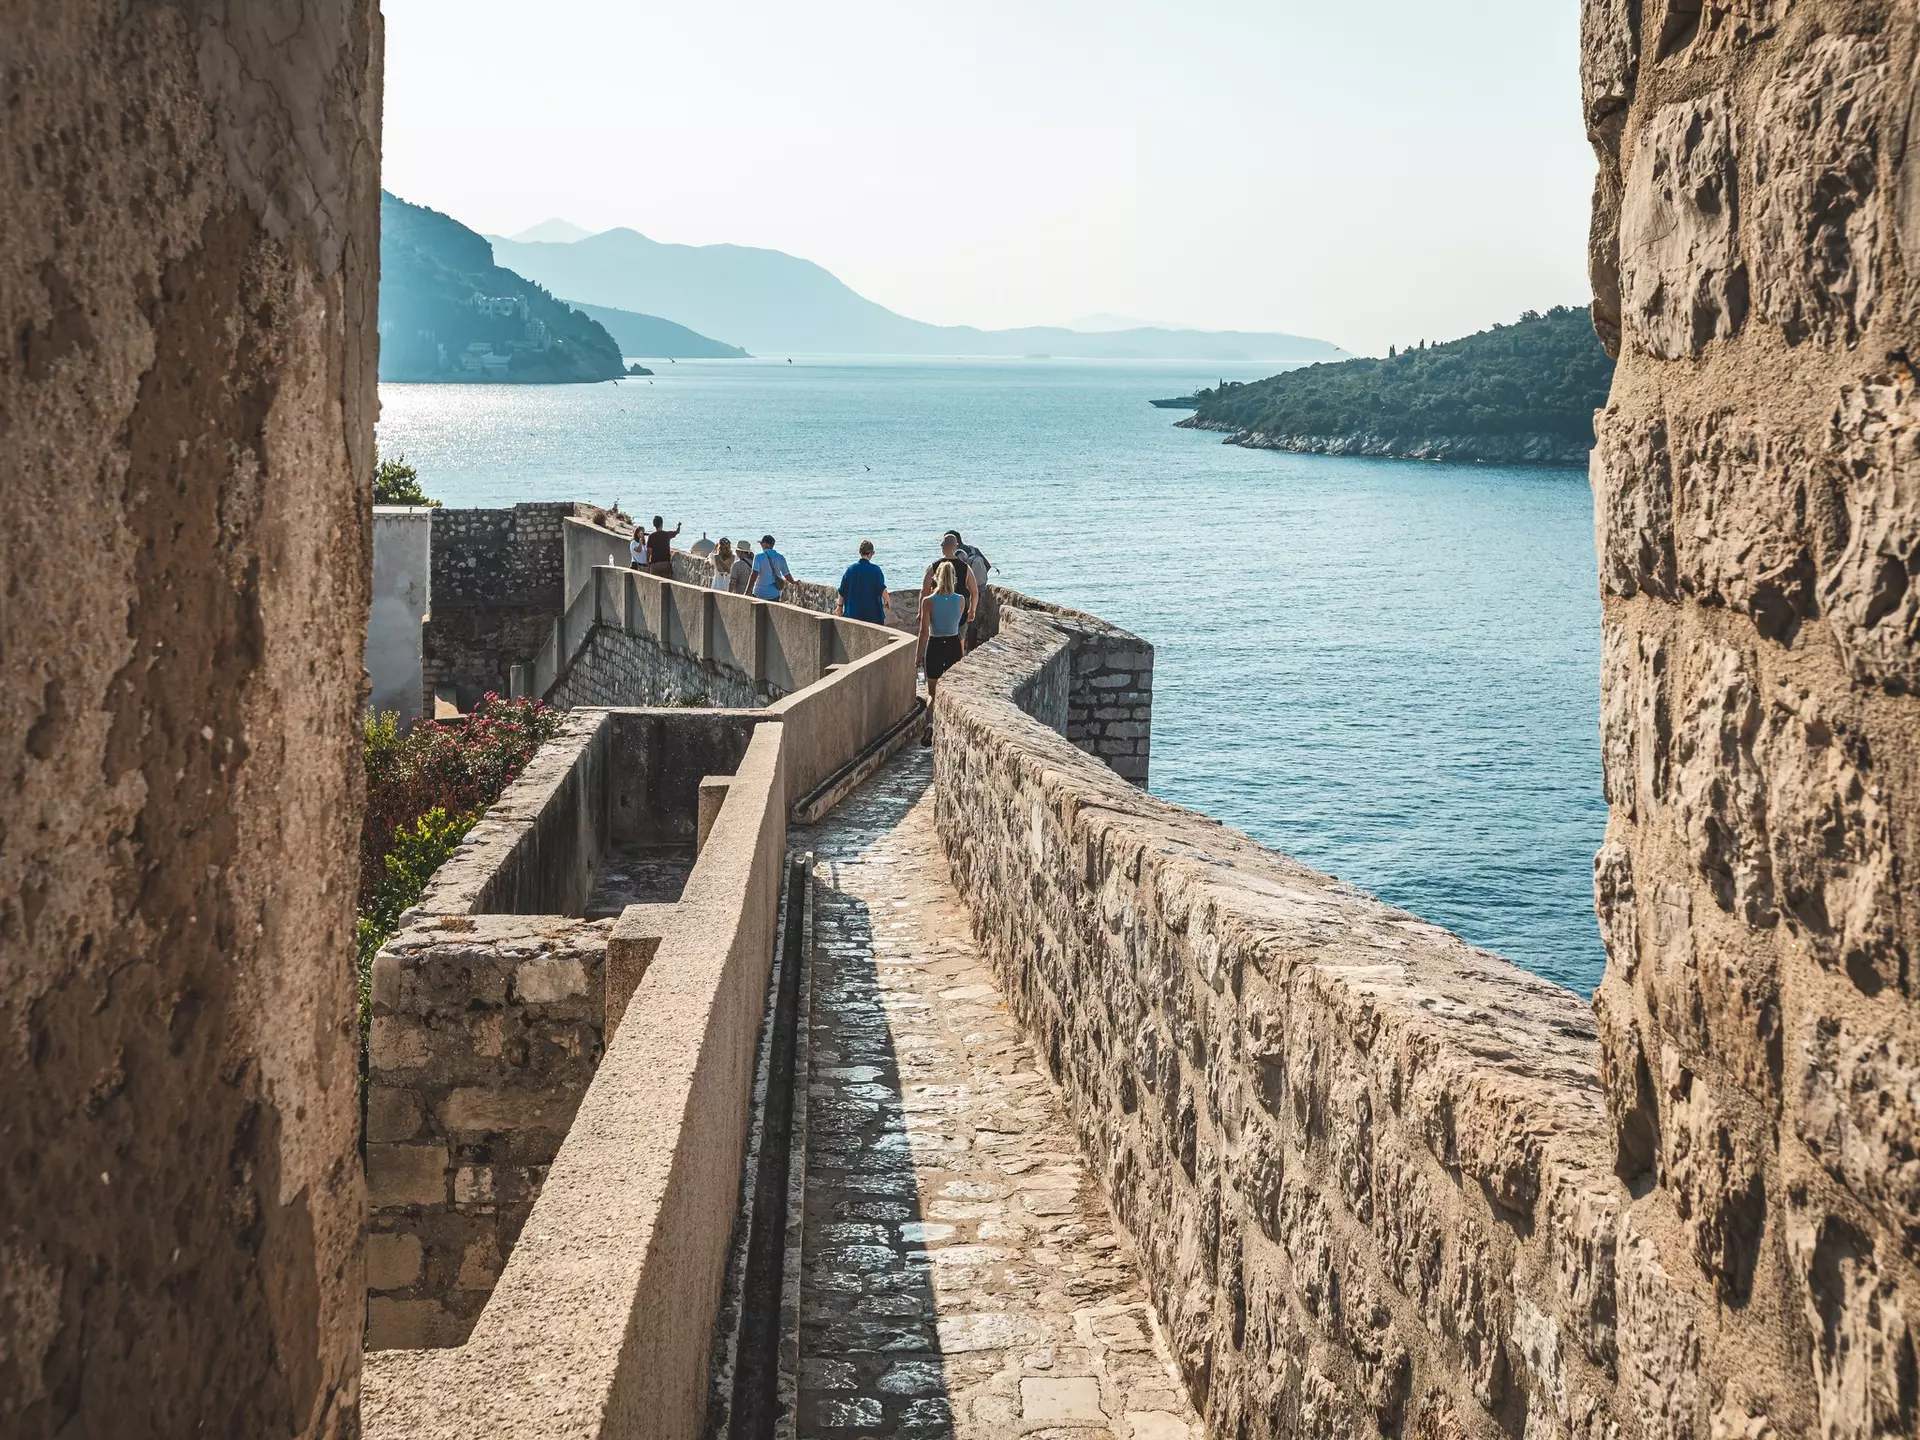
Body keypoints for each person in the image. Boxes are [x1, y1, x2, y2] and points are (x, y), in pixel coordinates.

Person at [917, 560, 968, 746]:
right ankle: (953, 728)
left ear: (936, 578)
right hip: (953, 645)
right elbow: (957, 622)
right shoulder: (960, 600)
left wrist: (918, 655)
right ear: (954, 578)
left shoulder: (928, 601)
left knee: (932, 693)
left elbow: (924, 631)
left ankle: (930, 726)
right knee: (954, 690)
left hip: (935, 645)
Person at [920, 532, 978, 629]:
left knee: (936, 635)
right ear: (956, 546)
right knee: (959, 637)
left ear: (942, 546)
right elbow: (974, 591)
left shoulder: (933, 567)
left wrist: (920, 611)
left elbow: (925, 591)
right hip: (959, 610)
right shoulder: (965, 567)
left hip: (937, 611)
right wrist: (972, 610)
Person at [837, 539, 890, 625]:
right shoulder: (875, 570)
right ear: (870, 553)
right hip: (872, 617)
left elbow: (842, 591)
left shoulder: (850, 569)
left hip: (852, 616)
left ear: (860, 552)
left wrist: (839, 607)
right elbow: (882, 589)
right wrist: (888, 601)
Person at [751, 534, 791, 600]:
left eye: (761, 543)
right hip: (774, 594)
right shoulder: (780, 557)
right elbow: (787, 575)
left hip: (759, 592)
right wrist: (794, 582)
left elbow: (754, 574)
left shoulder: (758, 557)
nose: (761, 545)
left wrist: (747, 591)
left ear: (765, 544)